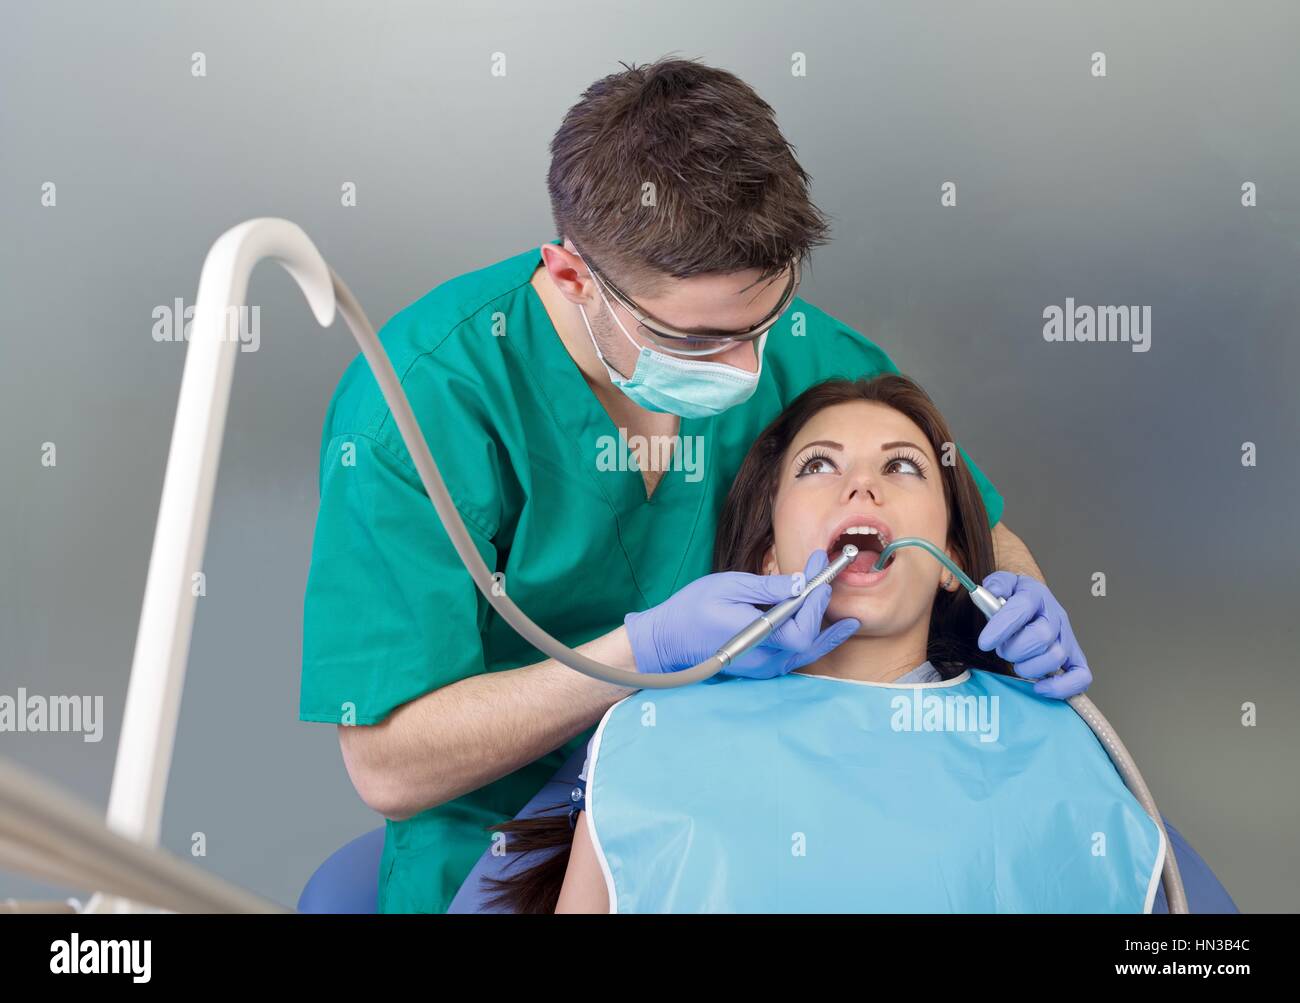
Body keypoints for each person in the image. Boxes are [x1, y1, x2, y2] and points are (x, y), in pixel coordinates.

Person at [299, 57, 1087, 914]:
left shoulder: (815, 357)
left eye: (767, 318)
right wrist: (642, 656)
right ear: (572, 278)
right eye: (705, 341)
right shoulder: (419, 406)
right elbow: (388, 762)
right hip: (506, 851)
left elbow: (965, 516)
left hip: (774, 812)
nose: (753, 370)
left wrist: (1024, 598)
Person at [484, 375, 1117, 914]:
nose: (863, 486)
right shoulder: (650, 733)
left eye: (902, 465)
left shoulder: (1050, 740)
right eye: (820, 465)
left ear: (952, 556)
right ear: (765, 557)